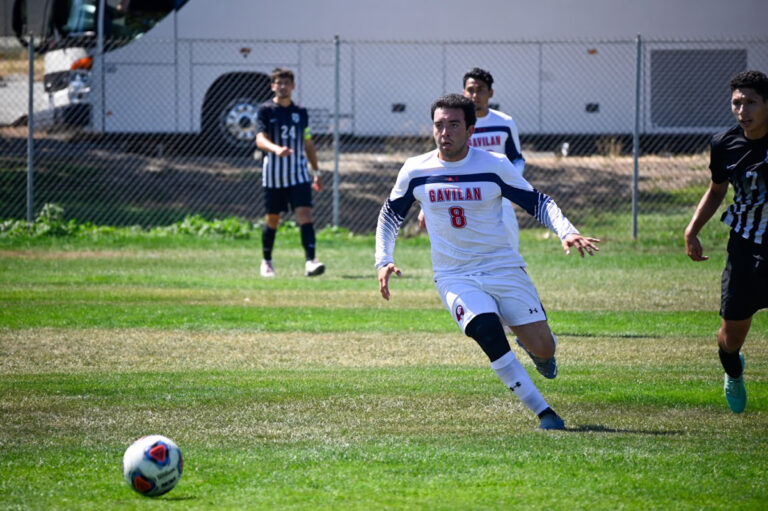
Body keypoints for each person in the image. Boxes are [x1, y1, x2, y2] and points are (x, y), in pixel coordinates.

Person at [375, 94, 599, 430]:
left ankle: (535, 349)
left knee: (545, 348)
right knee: (487, 331)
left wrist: (566, 231)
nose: (445, 132)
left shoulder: (494, 165)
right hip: (454, 275)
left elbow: (538, 201)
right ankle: (545, 413)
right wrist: (384, 259)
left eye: (454, 125)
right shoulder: (416, 169)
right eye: (439, 125)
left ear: (470, 129)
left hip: (503, 268)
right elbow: (390, 215)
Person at [684, 69, 768, 414]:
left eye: (751, 103)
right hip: (745, 245)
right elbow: (717, 190)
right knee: (730, 340)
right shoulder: (724, 144)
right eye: (736, 103)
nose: (742, 111)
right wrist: (693, 230)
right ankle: (734, 372)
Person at [419, 68, 524, 250]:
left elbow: (517, 159)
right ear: (463, 92)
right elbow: (441, 162)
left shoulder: (504, 122)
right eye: (470, 90)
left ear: (490, 93)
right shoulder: (455, 125)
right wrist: (425, 205)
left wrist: (508, 183)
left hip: (497, 196)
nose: (475, 95)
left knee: (508, 247)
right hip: (463, 195)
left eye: (480, 90)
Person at [256, 68, 325, 278]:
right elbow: (260, 139)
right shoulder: (265, 110)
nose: (283, 86)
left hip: (298, 174)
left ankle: (311, 262)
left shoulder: (300, 112)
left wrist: (316, 171)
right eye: (279, 83)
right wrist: (276, 149)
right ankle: (267, 262)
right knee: (272, 219)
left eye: (286, 83)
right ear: (272, 86)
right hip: (274, 176)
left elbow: (308, 143)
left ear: (293, 86)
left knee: (305, 214)